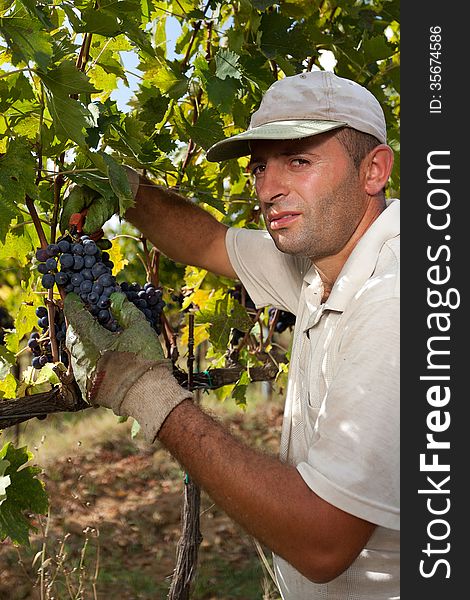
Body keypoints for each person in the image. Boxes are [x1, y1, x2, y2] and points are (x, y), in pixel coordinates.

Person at [64, 70, 400, 599]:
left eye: (299, 161)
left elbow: (322, 543)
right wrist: (126, 190)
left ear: (374, 170)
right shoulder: (323, 261)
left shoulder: (394, 300)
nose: (268, 190)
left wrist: (149, 394)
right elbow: (209, 242)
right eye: (260, 167)